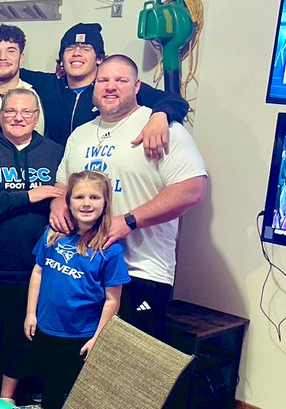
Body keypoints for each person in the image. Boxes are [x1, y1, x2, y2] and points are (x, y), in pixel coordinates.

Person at [52, 55, 208, 339]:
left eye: (121, 80)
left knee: (128, 371)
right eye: (103, 80)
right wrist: (57, 204)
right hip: (83, 267)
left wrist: (129, 220)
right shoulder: (80, 135)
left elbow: (193, 188)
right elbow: (63, 186)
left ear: (137, 86)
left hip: (141, 270)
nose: (111, 87)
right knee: (78, 363)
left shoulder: (162, 127)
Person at [0, 89, 64, 400]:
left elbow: (67, 198)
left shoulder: (55, 152)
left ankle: (8, 400)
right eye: (10, 112)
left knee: (21, 338)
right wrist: (31, 196)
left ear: (36, 117)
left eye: (26, 112)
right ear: (1, 115)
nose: (18, 118)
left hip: (33, 270)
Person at [0, 22, 189, 156]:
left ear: (99, 58)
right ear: (62, 58)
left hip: (100, 178)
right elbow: (3, 66)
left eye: (85, 48)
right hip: (55, 177)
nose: (77, 53)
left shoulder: (111, 90)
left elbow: (174, 100)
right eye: (71, 48)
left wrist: (160, 116)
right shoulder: (46, 85)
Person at [25, 170, 129, 409]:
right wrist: (31, 313)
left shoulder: (109, 250)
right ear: (68, 201)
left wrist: (98, 337)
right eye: (79, 197)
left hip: (81, 337)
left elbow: (113, 299)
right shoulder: (52, 235)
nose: (86, 203)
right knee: (49, 391)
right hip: (48, 329)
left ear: (105, 204)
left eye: (94, 197)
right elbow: (37, 273)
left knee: (76, 396)